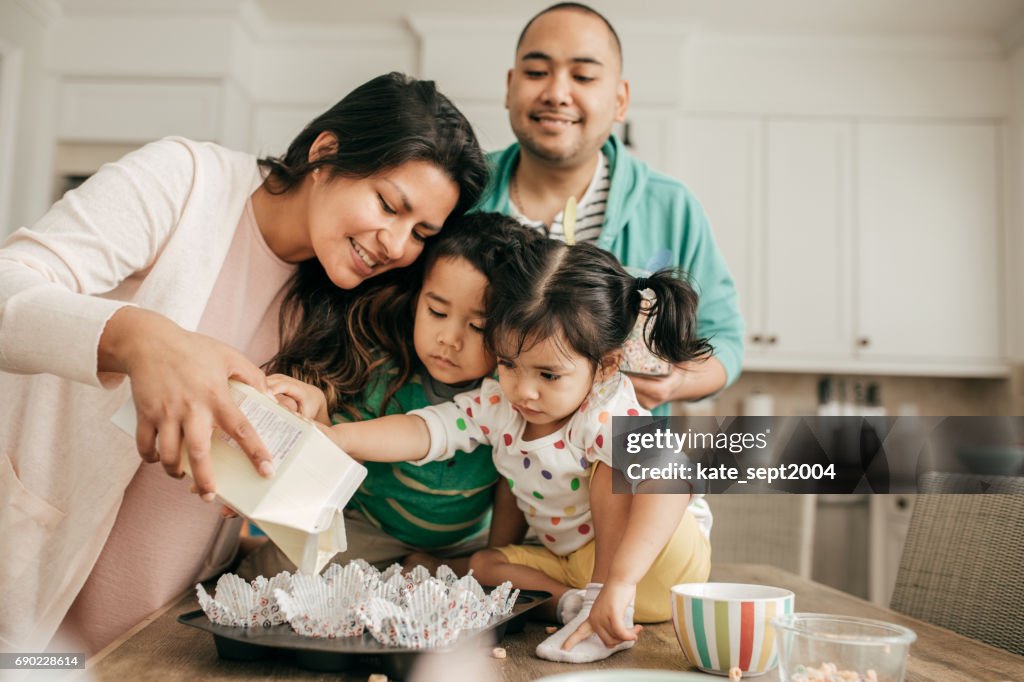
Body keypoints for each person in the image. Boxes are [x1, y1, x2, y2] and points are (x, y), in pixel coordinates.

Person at [0, 72, 489, 654]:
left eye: (421, 233)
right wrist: (143, 339)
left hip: (164, 625)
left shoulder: (347, 302)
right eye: (389, 205)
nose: (396, 244)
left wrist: (300, 428)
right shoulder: (184, 179)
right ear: (325, 153)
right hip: (28, 593)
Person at [323, 239, 714, 664]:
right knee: (486, 566)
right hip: (573, 566)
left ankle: (604, 608)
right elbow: (426, 429)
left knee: (611, 467)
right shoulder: (499, 405)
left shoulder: (607, 408)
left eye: (548, 374)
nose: (523, 391)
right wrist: (341, 439)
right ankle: (574, 608)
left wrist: (618, 585)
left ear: (605, 365)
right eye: (509, 364)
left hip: (654, 560)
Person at [236, 212, 542, 580]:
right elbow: (342, 446)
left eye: (478, 326)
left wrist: (496, 556)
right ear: (417, 301)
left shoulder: (525, 397)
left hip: (467, 543)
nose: (449, 339)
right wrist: (316, 418)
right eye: (437, 311)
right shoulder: (385, 370)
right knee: (274, 573)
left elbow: (515, 484)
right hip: (371, 530)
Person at [475, 2, 744, 412]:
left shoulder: (671, 206)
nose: (556, 93)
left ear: (620, 100)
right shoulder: (464, 190)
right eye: (535, 73)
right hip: (471, 462)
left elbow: (725, 339)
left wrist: (675, 382)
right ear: (510, 87)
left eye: (583, 76)